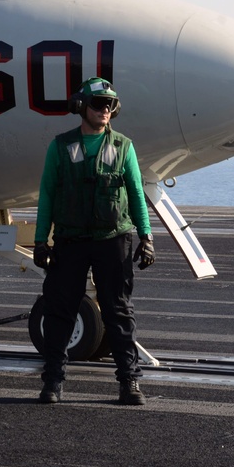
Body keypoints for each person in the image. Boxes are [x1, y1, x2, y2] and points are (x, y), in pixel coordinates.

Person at [32, 77, 155, 406]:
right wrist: (41, 240)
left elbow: (136, 193)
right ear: (80, 107)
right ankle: (53, 382)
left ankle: (129, 383)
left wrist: (147, 236)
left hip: (113, 239)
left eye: (110, 105)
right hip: (70, 241)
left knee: (119, 312)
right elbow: (47, 195)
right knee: (60, 313)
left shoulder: (123, 147)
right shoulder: (60, 147)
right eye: (99, 104)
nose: (105, 110)